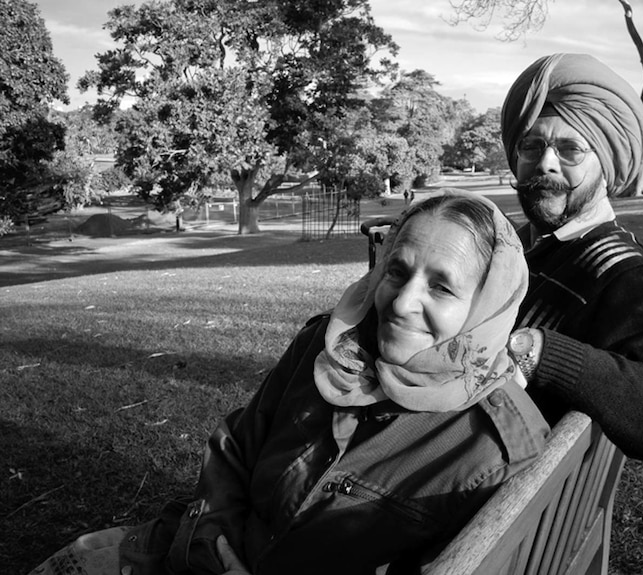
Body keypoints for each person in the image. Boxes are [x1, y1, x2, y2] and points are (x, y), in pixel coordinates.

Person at [29, 191, 548, 575]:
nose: (402, 301)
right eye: (397, 271)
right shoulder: (328, 347)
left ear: (487, 306)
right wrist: (214, 547)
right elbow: (236, 447)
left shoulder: (494, 447)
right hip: (196, 548)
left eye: (441, 286)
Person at [500, 53, 643, 464]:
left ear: (608, 162)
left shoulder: (624, 276)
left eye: (570, 149)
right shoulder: (515, 243)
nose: (545, 162)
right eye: (532, 145)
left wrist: (542, 351)